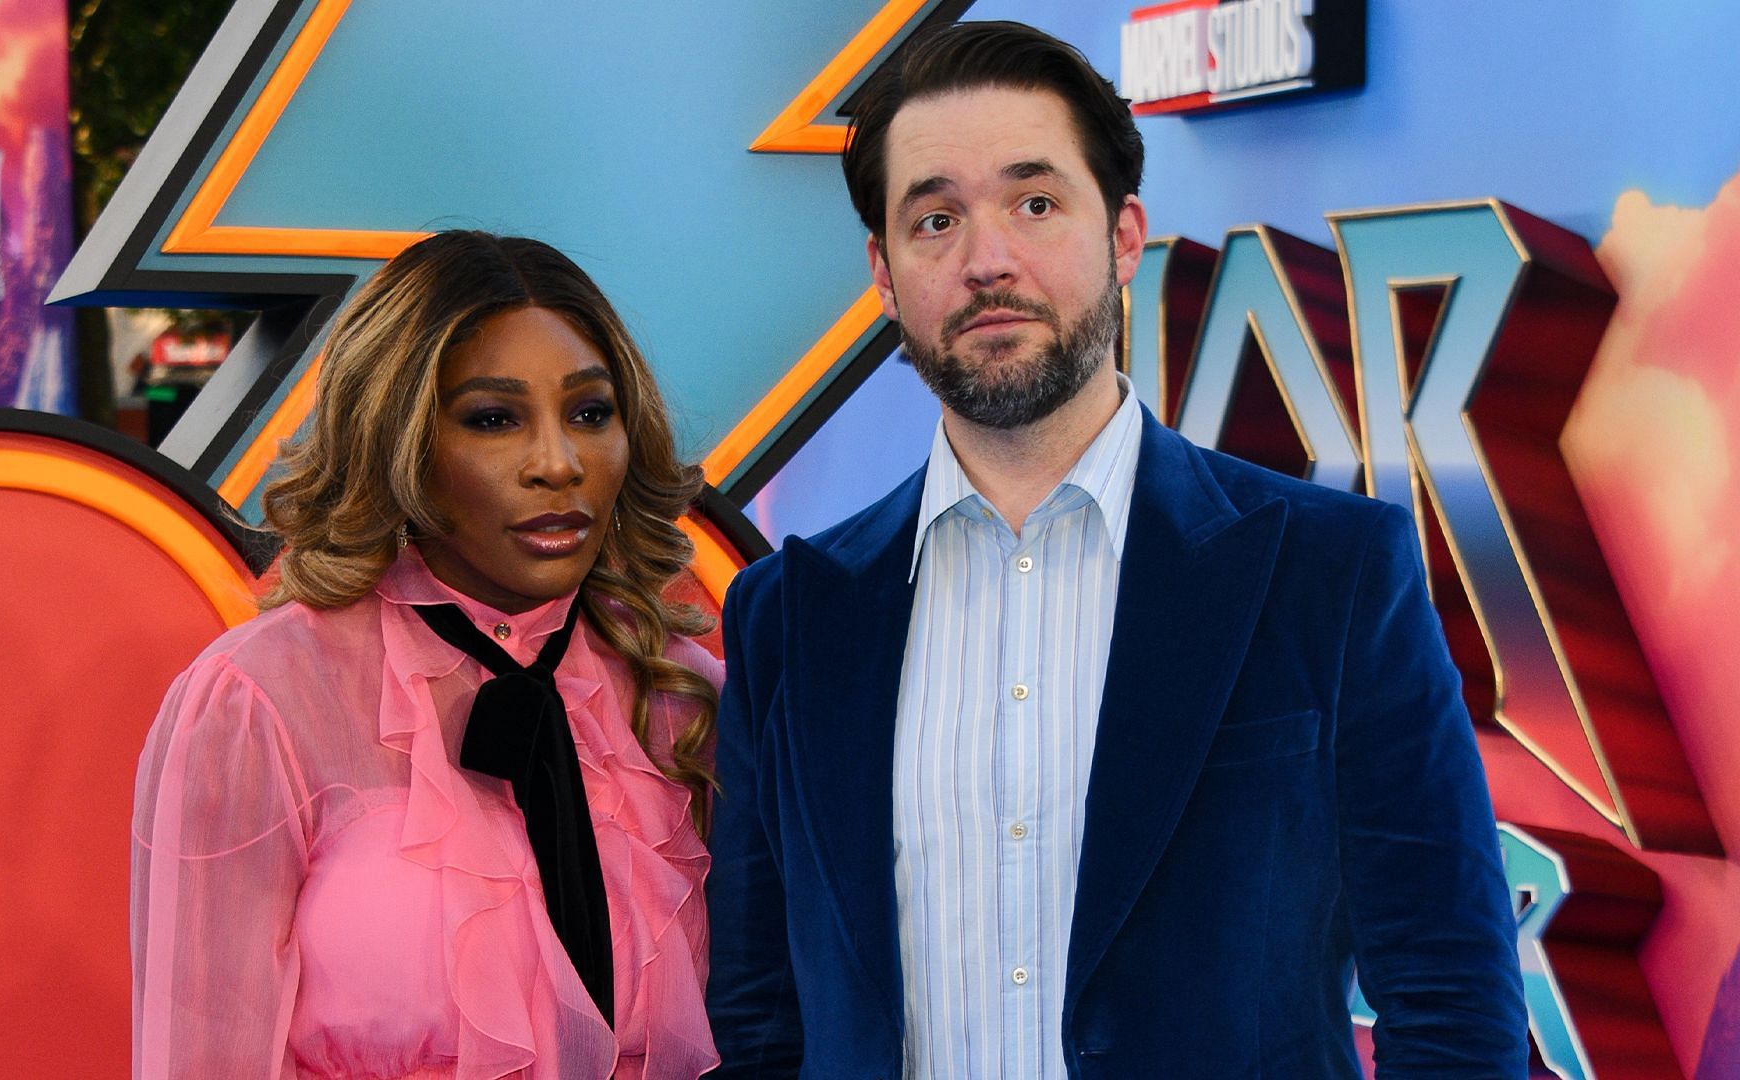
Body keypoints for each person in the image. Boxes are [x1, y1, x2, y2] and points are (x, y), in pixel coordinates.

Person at [704, 21, 1527, 1078]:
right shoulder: (789, 616)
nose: (985, 260)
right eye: (936, 219)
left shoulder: (1331, 571)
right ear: (883, 269)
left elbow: (1452, 995)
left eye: (1035, 204)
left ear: (1125, 234)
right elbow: (763, 1022)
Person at [132, 231, 722, 1078]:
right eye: (493, 419)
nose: (558, 464)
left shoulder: (689, 698)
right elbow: (202, 1057)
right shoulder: (259, 698)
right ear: (399, 438)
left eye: (591, 413)